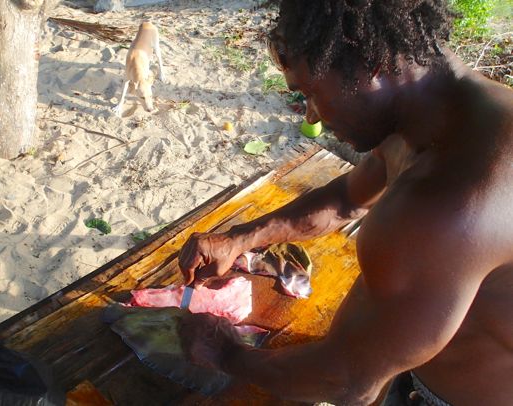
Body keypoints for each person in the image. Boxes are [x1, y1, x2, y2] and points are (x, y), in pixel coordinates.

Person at [177, 1, 513, 404]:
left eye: (309, 93)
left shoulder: (449, 202)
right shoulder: (436, 113)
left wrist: (225, 352)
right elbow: (347, 198)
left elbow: (346, 381)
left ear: (370, 64)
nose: (312, 116)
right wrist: (238, 239)